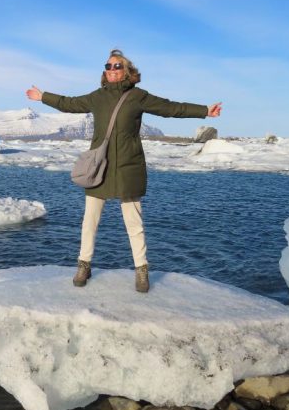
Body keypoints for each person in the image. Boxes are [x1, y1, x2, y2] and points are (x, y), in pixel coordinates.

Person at [26, 49, 222, 293]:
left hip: (129, 165)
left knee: (134, 222)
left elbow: (171, 108)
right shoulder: (97, 97)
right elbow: (69, 103)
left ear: (127, 71)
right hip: (100, 166)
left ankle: (141, 270)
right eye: (108, 66)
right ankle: (84, 265)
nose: (111, 70)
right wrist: (43, 96)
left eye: (117, 66)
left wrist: (204, 110)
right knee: (90, 221)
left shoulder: (137, 96)